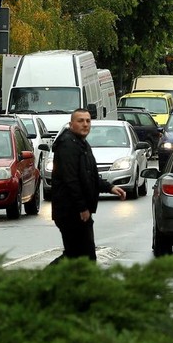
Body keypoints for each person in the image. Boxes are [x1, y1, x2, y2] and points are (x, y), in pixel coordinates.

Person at [51, 109, 126, 262]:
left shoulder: (82, 144)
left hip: (76, 211)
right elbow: (70, 180)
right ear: (71, 124)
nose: (85, 124)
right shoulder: (68, 145)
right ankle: (41, 284)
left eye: (88, 121)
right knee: (80, 256)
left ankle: (51, 284)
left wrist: (110, 187)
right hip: (70, 211)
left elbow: (89, 175)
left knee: (80, 256)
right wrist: (82, 208)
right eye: (80, 121)